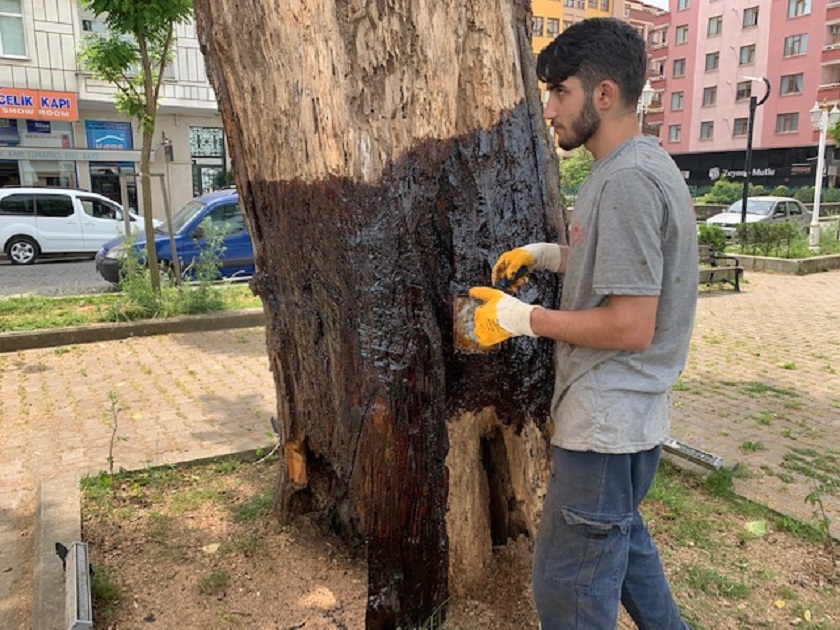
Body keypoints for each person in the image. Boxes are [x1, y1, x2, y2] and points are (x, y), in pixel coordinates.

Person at [468, 18, 697, 630]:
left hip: (605, 424)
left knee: (568, 593)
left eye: (559, 91)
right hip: (631, 421)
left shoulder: (626, 181)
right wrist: (550, 256)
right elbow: (618, 271)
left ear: (603, 94)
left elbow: (630, 323)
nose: (548, 109)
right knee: (626, 556)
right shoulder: (635, 165)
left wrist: (523, 319)